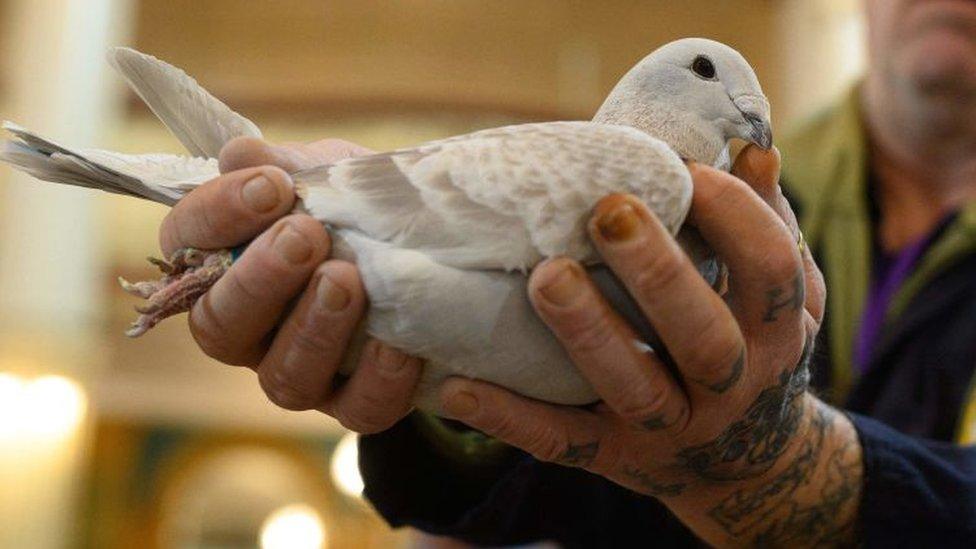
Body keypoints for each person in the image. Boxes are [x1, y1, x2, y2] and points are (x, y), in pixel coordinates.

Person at [154, 0, 976, 545]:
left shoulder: (726, 196)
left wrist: (790, 462)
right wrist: (436, 401)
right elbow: (526, 498)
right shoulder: (735, 192)